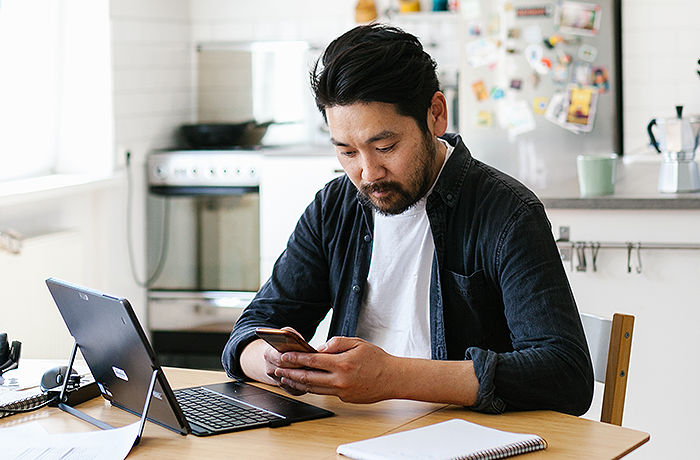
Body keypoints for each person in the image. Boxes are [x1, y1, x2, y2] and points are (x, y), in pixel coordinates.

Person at [222, 23, 593, 415]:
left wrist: (392, 378)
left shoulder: (507, 214)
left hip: (462, 442)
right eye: (347, 152)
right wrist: (276, 363)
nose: (367, 172)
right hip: (346, 438)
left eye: (385, 146)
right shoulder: (336, 208)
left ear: (435, 114)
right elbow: (249, 332)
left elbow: (565, 375)